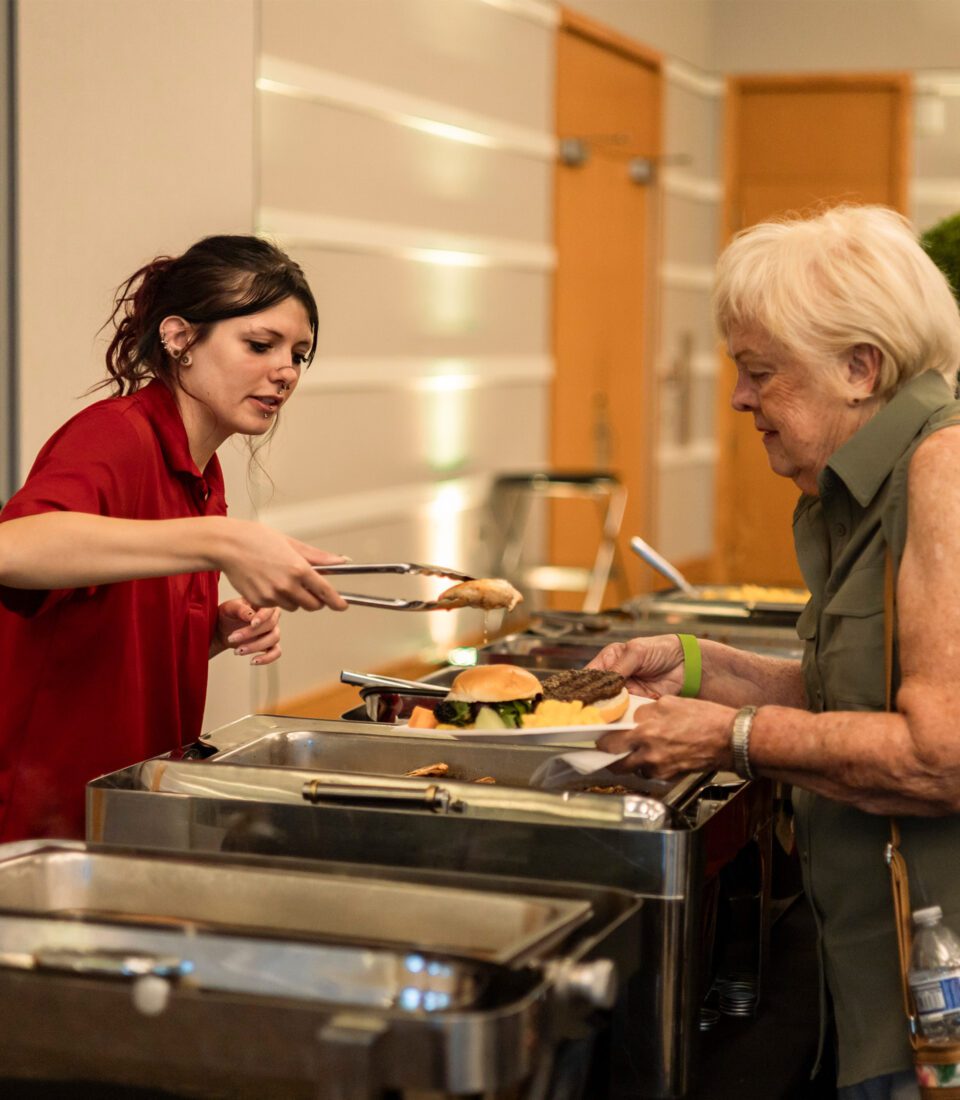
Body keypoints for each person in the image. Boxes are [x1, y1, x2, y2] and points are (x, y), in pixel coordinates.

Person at [590, 205, 960, 1100]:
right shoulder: (864, 489)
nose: (739, 398)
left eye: (760, 372)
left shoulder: (941, 475)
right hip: (881, 987)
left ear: (859, 368)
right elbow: (860, 693)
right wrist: (696, 665)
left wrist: (732, 736)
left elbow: (940, 752)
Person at [0, 235, 349, 841]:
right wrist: (220, 539)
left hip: (124, 811)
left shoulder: (202, 473)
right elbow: (14, 549)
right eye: (260, 345)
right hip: (40, 822)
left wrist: (208, 631)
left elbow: (103, 623)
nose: (286, 372)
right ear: (180, 337)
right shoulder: (117, 435)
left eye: (299, 354)